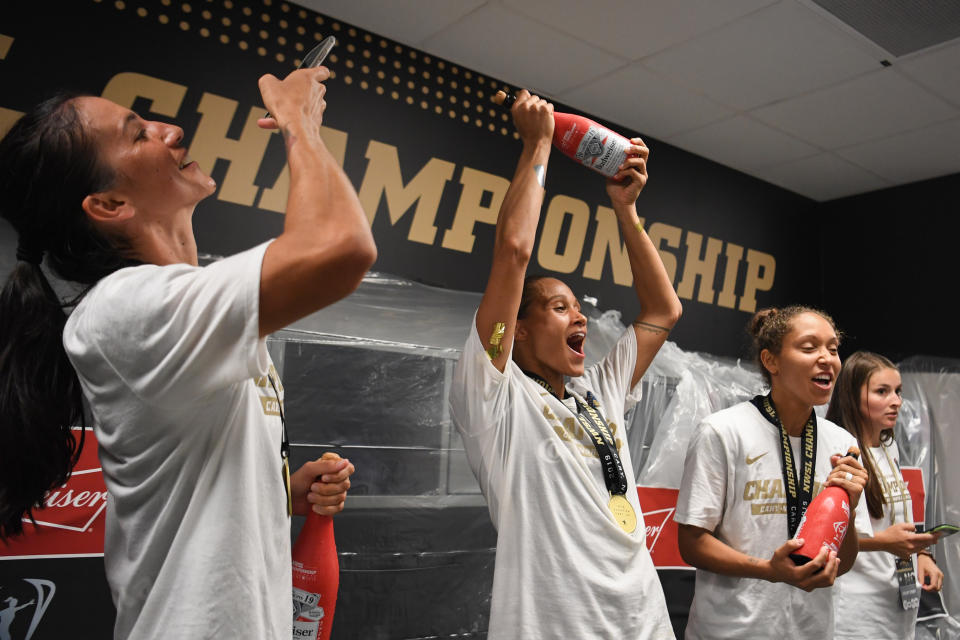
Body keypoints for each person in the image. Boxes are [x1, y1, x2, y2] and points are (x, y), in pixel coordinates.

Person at [0, 65, 375, 639]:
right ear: (108, 204)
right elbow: (340, 247)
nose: (170, 130)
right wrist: (300, 122)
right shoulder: (126, 310)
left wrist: (277, 494)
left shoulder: (171, 308)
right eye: (137, 133)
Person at [449, 89, 682, 639]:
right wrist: (538, 144)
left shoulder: (597, 392)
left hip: (643, 621)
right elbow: (513, 252)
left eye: (579, 307)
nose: (580, 318)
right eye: (560, 307)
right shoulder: (495, 399)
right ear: (519, 329)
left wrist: (626, 209)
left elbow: (663, 310)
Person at [675, 306, 872, 639]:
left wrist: (849, 511)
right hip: (732, 630)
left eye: (833, 349)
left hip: (812, 630)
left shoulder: (842, 442)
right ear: (771, 361)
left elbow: (846, 561)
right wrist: (769, 571)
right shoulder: (723, 431)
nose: (826, 358)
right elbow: (691, 543)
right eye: (810, 347)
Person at [828, 351, 944, 639]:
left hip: (896, 603)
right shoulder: (840, 452)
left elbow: (895, 520)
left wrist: (920, 552)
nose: (896, 401)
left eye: (898, 391)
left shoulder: (887, 447)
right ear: (853, 396)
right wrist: (886, 543)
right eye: (883, 391)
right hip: (855, 609)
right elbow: (829, 537)